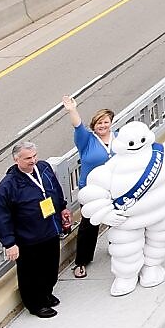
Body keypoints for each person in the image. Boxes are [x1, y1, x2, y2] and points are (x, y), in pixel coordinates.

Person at [0, 141, 70, 318]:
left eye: (34, 156)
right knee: (31, 273)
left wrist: (62, 208)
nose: (33, 160)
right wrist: (9, 243)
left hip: (50, 229)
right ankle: (35, 304)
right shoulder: (7, 186)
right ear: (16, 160)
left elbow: (55, 189)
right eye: (28, 158)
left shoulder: (44, 168)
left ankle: (46, 293)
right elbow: (2, 217)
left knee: (50, 267)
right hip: (28, 238)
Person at [62, 94, 113, 280]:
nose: (103, 126)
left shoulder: (118, 138)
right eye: (99, 123)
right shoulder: (87, 140)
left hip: (115, 187)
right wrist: (72, 110)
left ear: (111, 123)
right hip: (92, 191)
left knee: (120, 219)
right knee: (89, 225)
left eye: (106, 122)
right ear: (94, 125)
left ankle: (118, 247)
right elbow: (77, 125)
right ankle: (81, 262)